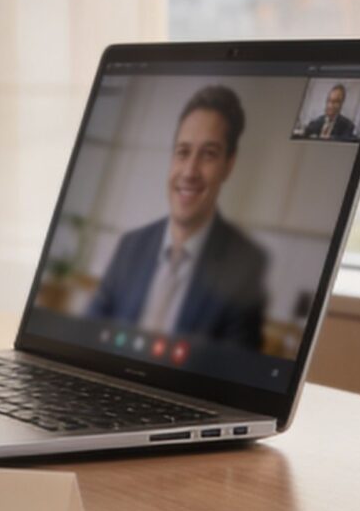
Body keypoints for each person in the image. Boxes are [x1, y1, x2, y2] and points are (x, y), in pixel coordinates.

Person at [81, 86, 269, 351]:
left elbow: (235, 376)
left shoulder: (245, 266)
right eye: (183, 152)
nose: (190, 171)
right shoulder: (130, 247)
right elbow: (86, 337)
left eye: (208, 154)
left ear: (229, 164)